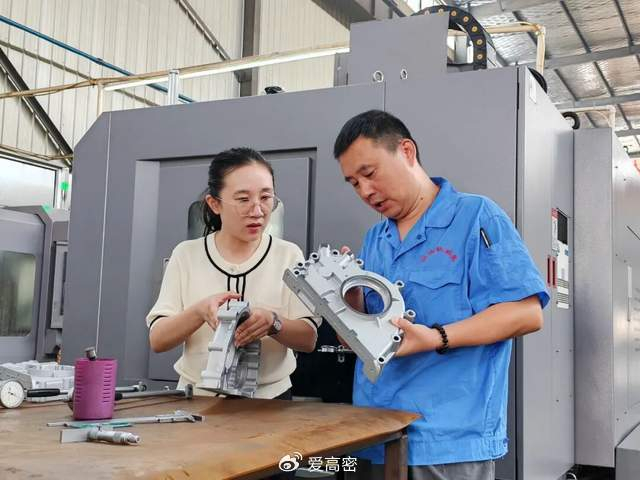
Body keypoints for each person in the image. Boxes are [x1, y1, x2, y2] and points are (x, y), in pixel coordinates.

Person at [334, 110, 549, 480]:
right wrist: (348, 301)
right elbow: (360, 341)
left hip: (447, 440)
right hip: (374, 432)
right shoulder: (375, 239)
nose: (365, 191)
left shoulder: (475, 217)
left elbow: (526, 313)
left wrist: (436, 338)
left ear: (406, 151)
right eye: (354, 183)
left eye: (370, 173)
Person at [146, 147, 320, 400]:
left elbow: (309, 339)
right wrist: (199, 311)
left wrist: (273, 322)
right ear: (215, 204)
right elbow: (158, 340)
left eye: (266, 197)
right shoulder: (186, 255)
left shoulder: (288, 255)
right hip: (198, 401)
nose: (257, 210)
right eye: (243, 199)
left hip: (271, 402)